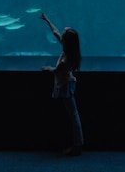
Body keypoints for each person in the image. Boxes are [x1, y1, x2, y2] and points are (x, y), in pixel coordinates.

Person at [40, 12, 84, 156]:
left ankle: (78, 145)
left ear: (65, 41)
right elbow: (55, 32)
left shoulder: (65, 60)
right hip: (67, 82)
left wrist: (47, 68)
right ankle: (75, 142)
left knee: (73, 114)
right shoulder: (70, 50)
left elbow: (55, 70)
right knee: (71, 114)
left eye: (64, 34)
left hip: (64, 86)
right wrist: (47, 20)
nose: (62, 33)